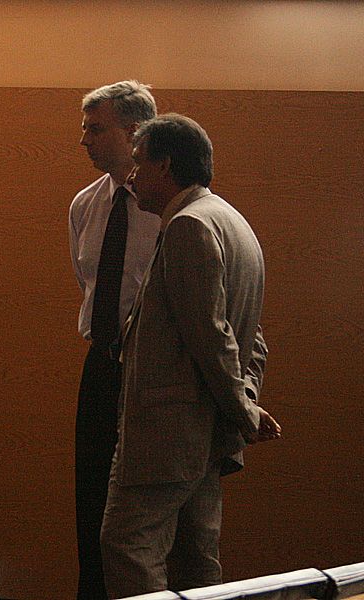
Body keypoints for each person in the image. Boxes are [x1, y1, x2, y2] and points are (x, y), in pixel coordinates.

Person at [99, 114, 281, 599]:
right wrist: (244, 401)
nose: (131, 174)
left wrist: (243, 412)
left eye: (139, 162)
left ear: (164, 165)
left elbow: (212, 337)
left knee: (128, 546)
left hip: (166, 436)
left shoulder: (189, 226)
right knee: (194, 562)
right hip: (204, 436)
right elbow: (253, 339)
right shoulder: (231, 222)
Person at [68, 80, 160, 600]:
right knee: (91, 503)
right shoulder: (85, 205)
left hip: (153, 371)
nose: (84, 140)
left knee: (141, 516)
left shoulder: (172, 208)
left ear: (134, 132)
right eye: (84, 128)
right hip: (101, 364)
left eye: (95, 129)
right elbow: (89, 285)